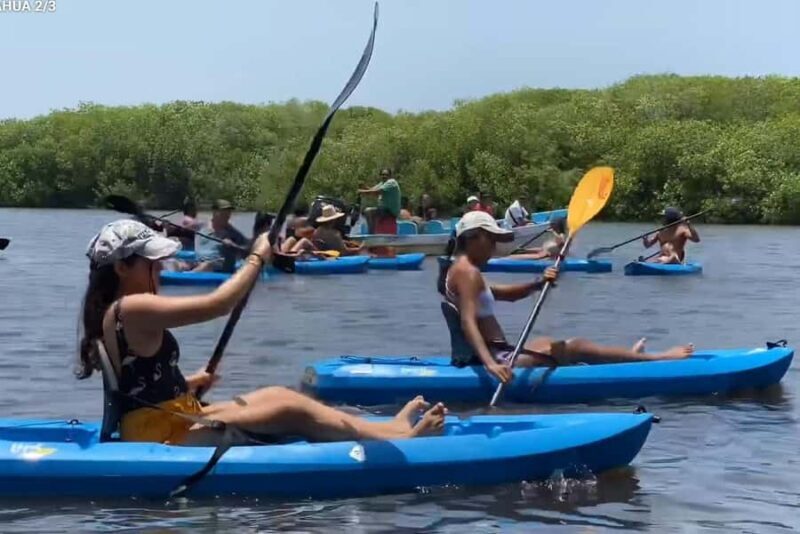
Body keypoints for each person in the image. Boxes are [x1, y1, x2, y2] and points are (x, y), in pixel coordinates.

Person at [78, 219, 446, 445]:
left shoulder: (117, 311)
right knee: (288, 406)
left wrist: (187, 384)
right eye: (151, 262)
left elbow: (136, 385)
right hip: (162, 434)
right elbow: (219, 304)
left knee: (276, 393)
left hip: (164, 417)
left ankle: (380, 430)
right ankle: (400, 437)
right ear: (123, 268)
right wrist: (257, 257)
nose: (159, 269)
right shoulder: (133, 306)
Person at [438, 211, 693, 384]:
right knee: (574, 346)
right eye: (491, 239)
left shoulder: (461, 270)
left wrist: (539, 283)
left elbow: (505, 295)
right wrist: (491, 366)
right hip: (495, 358)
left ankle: (627, 356)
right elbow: (468, 322)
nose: (495, 247)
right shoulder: (467, 272)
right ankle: (655, 359)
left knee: (550, 342)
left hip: (498, 352)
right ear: (473, 238)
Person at [193, 199, 248, 273]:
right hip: (199, 262)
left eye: (228, 212)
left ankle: (186, 277)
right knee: (176, 262)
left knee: (207, 265)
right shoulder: (202, 227)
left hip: (219, 266)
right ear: (214, 212)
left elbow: (247, 249)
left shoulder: (233, 233)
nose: (227, 215)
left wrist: (233, 245)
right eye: (223, 212)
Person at [358, 168, 401, 233]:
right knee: (368, 211)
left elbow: (377, 192)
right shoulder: (382, 183)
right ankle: (373, 231)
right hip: (384, 210)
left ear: (390, 176)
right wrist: (363, 186)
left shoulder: (391, 182)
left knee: (368, 211)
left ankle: (371, 233)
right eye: (383, 174)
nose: (384, 176)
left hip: (390, 211)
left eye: (386, 175)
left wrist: (362, 191)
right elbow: (372, 190)